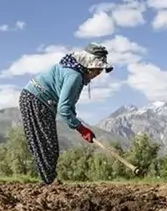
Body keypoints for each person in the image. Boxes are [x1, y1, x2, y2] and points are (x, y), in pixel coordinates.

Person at [18, 42, 113, 184]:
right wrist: (80, 128)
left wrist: (79, 125)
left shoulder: (75, 72)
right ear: (89, 65)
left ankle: (48, 182)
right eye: (98, 70)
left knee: (49, 146)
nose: (98, 74)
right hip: (36, 99)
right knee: (48, 146)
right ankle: (49, 184)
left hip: (37, 100)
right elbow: (63, 109)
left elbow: (69, 104)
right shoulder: (74, 76)